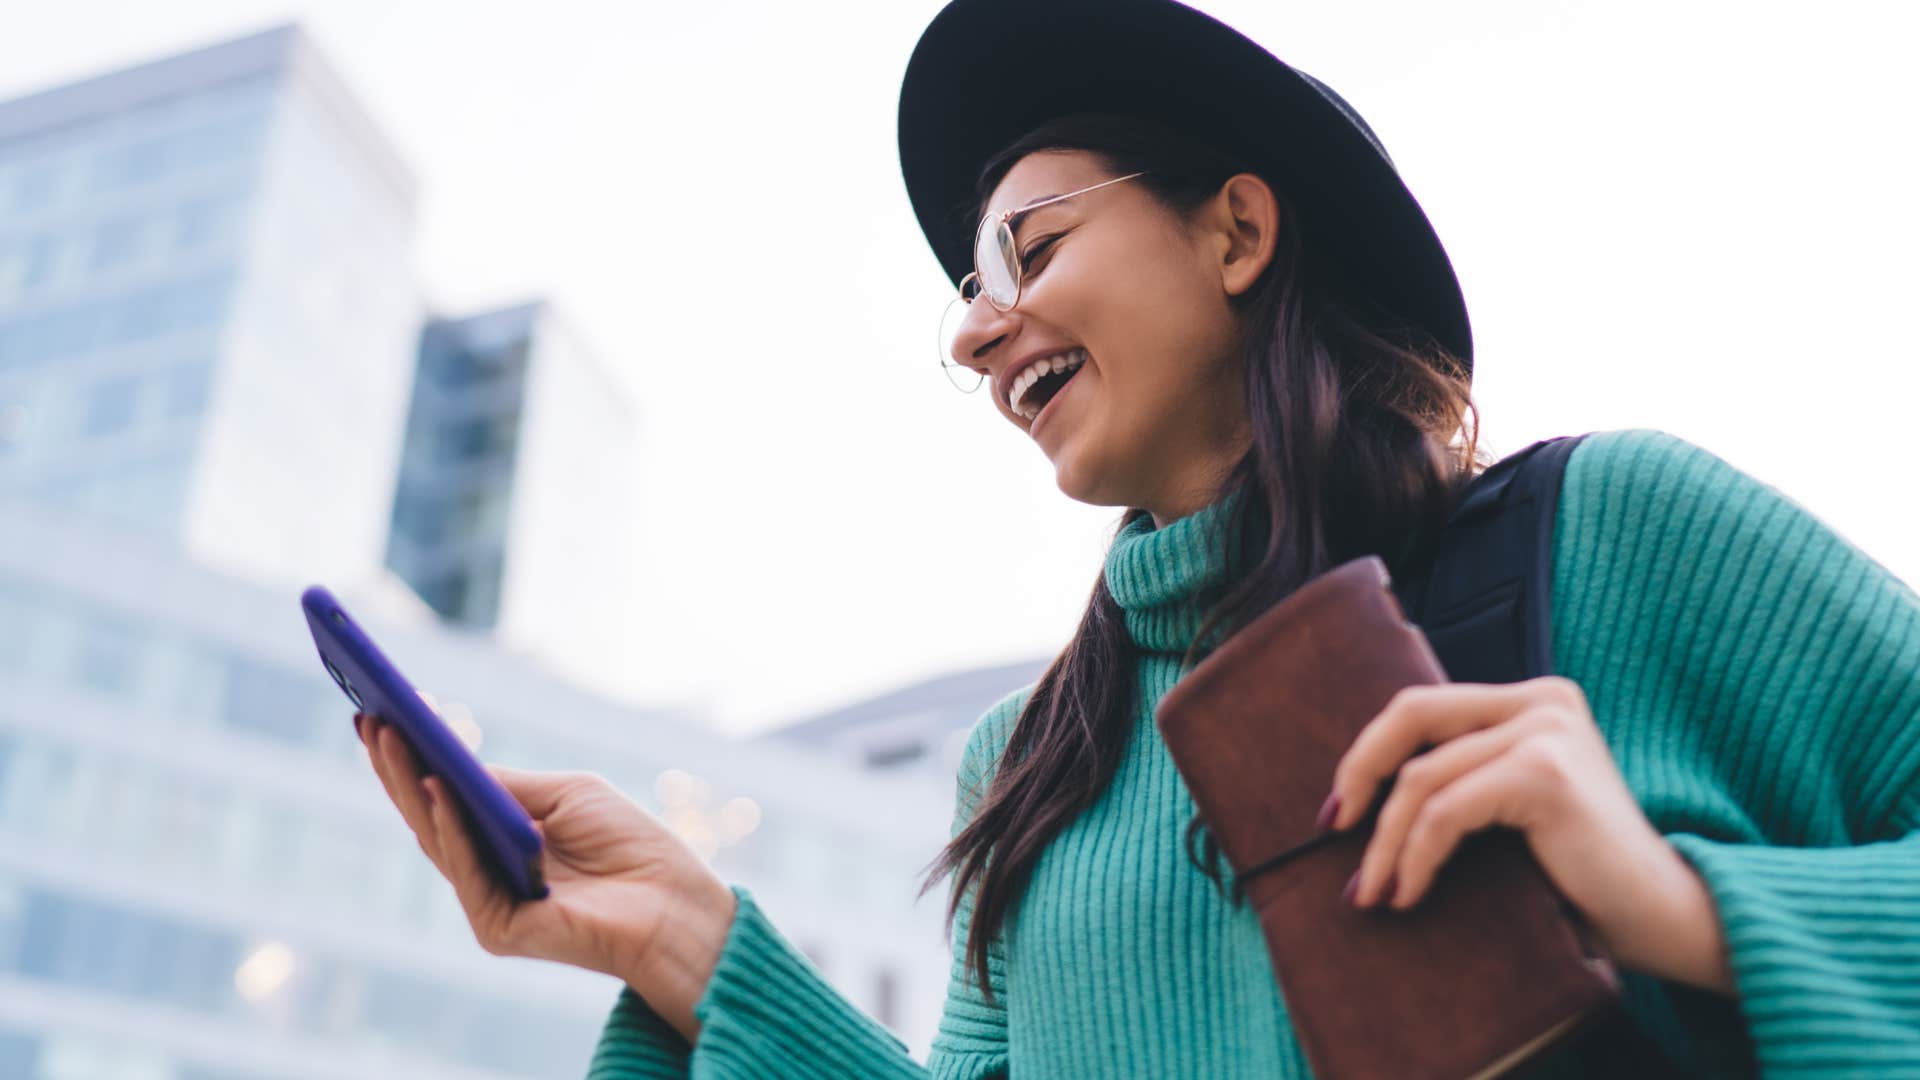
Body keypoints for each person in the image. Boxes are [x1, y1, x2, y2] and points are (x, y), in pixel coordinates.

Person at [355, 0, 1920, 1076]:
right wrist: (695, 944)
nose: (979, 334)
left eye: (1027, 249)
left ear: (1237, 230)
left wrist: (1685, 905)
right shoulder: (1030, 772)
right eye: (966, 293)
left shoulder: (1623, 537)